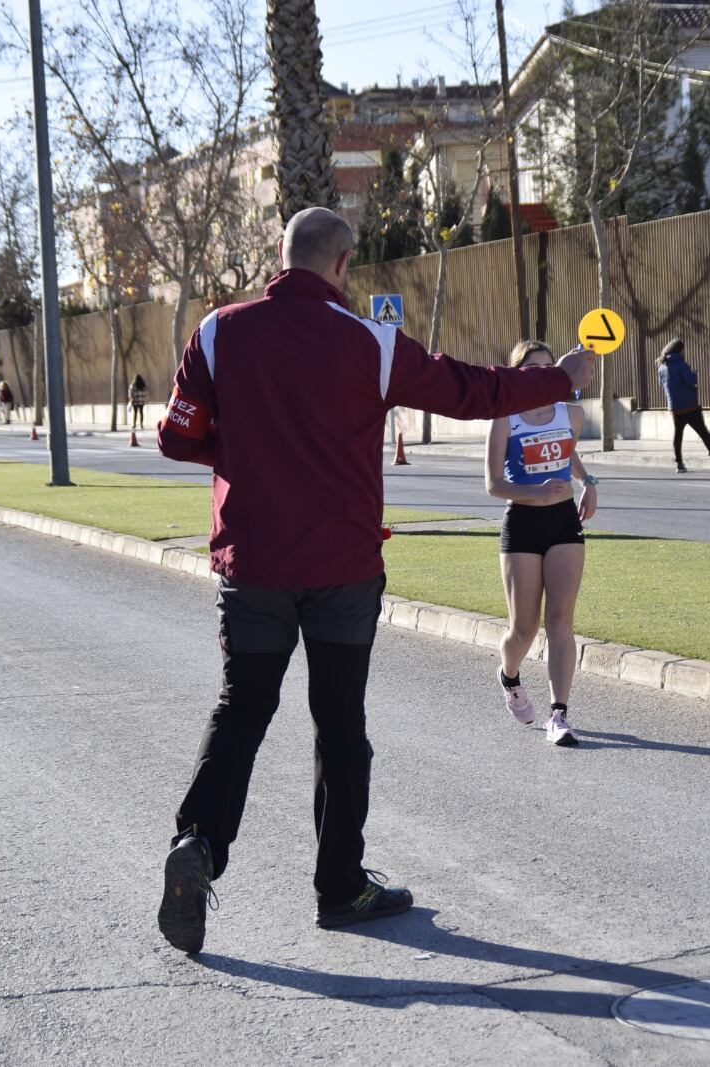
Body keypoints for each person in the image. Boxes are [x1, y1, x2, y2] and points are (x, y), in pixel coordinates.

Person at [153, 206, 595, 955]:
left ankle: (196, 844)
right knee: (339, 721)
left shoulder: (220, 331)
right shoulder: (371, 343)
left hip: (253, 563)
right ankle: (340, 885)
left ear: (281, 256)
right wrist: (556, 379)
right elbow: (468, 390)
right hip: (343, 567)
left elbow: (174, 435)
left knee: (242, 708)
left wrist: (248, 459)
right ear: (344, 264)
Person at [487, 340, 598, 748]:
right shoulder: (505, 417)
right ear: (519, 375)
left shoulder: (572, 413)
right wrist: (537, 493)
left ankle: (560, 714)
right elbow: (493, 484)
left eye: (551, 366)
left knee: (561, 622)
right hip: (523, 524)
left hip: (564, 522)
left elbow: (567, 455)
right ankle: (510, 675)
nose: (547, 374)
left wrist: (588, 483)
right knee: (524, 628)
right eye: (536, 369)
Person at [656, 338, 710, 473]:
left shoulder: (662, 366)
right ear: (679, 350)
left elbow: (661, 385)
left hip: (674, 407)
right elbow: (690, 381)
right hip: (689, 405)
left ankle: (679, 463)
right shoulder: (681, 364)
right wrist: (695, 374)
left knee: (678, 435)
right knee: (703, 432)